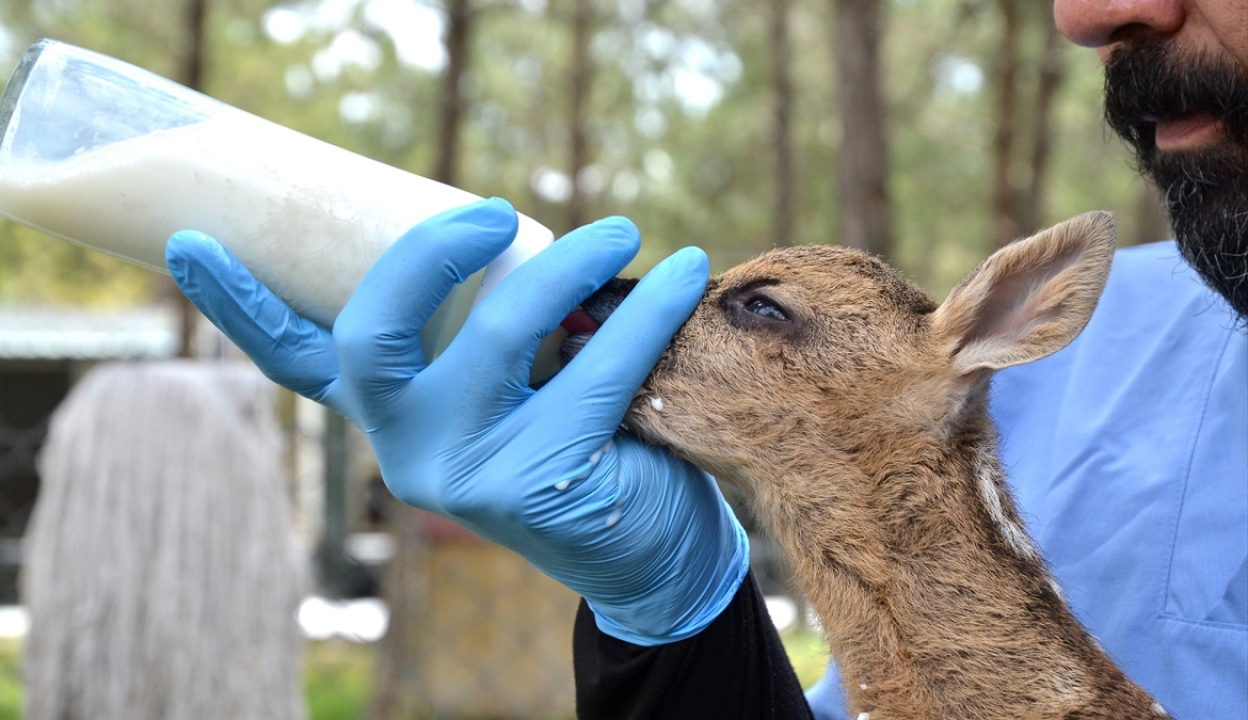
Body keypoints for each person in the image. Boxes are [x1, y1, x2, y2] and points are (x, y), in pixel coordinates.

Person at [165, 0, 1246, 717]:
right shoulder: (1073, 370)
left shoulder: (997, 364)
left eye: (761, 316)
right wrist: (674, 625)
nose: (1087, 11)